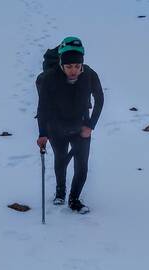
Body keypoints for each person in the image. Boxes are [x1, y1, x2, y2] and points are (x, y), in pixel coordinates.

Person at [36, 36, 104, 214]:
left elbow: (99, 100)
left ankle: (74, 200)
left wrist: (90, 125)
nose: (73, 70)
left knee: (82, 165)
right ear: (61, 64)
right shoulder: (49, 78)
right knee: (61, 160)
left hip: (81, 126)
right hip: (56, 128)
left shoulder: (89, 74)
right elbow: (42, 107)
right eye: (68, 66)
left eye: (76, 66)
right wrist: (42, 133)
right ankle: (60, 191)